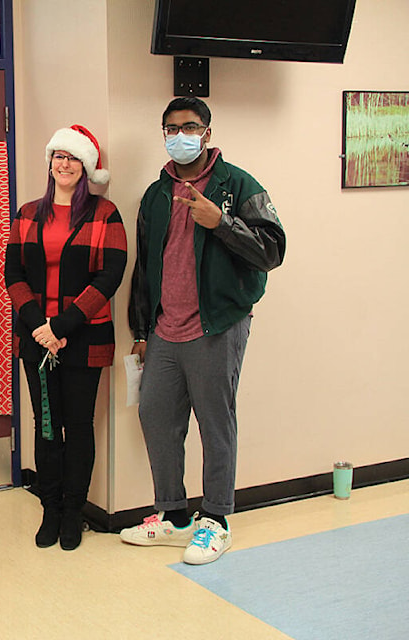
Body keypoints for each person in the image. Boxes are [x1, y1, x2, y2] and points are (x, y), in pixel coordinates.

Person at [121, 97, 286, 564]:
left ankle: (217, 519)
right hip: (163, 330)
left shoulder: (238, 185)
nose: (179, 136)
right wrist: (140, 327)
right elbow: (146, 268)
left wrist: (222, 223)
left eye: (189, 127)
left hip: (216, 326)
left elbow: (272, 251)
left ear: (207, 133)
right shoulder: (155, 195)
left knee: (215, 423)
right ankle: (174, 517)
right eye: (171, 128)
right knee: (155, 417)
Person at [5, 125, 127, 551]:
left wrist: (62, 326)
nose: (64, 164)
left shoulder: (104, 214)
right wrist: (41, 325)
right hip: (36, 341)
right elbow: (14, 273)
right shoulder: (26, 213)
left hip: (84, 338)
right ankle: (50, 509)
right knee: (45, 428)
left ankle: (74, 512)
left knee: (78, 427)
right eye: (59, 156)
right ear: (50, 162)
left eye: (73, 158)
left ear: (87, 167)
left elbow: (110, 275)